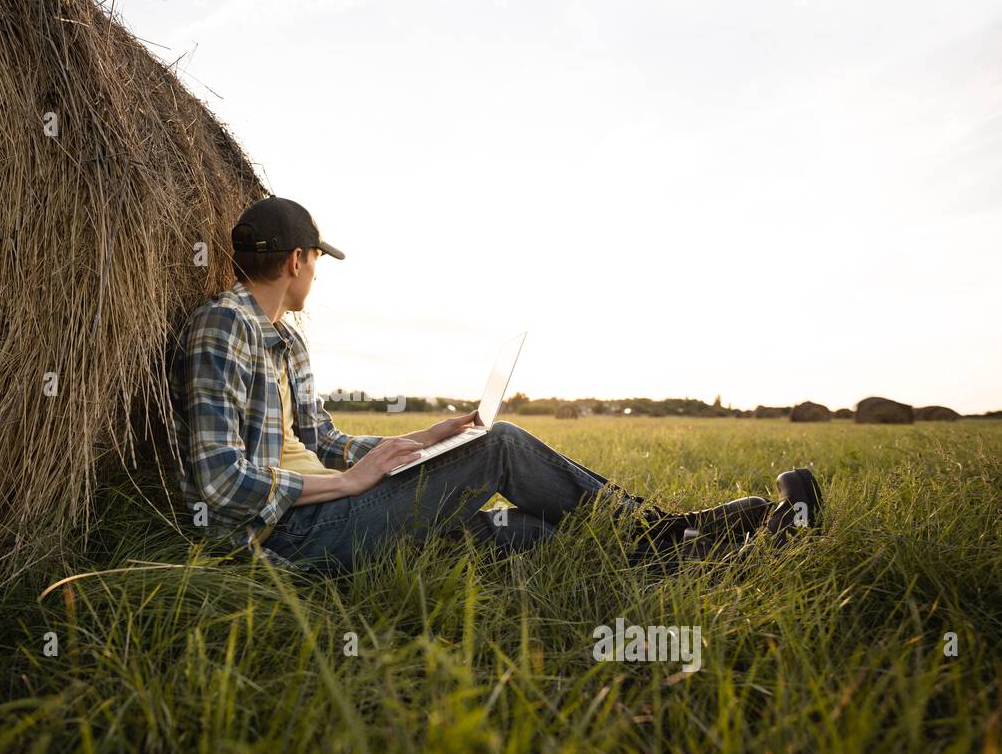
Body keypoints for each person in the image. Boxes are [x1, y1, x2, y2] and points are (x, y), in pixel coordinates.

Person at [169, 196, 822, 575]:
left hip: (334, 510)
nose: (317, 271)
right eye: (316, 259)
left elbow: (322, 438)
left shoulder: (288, 339)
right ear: (296, 260)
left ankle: (731, 547)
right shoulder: (224, 327)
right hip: (297, 534)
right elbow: (220, 482)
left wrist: (420, 439)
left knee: (529, 533)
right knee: (502, 444)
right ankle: (673, 532)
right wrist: (350, 483)